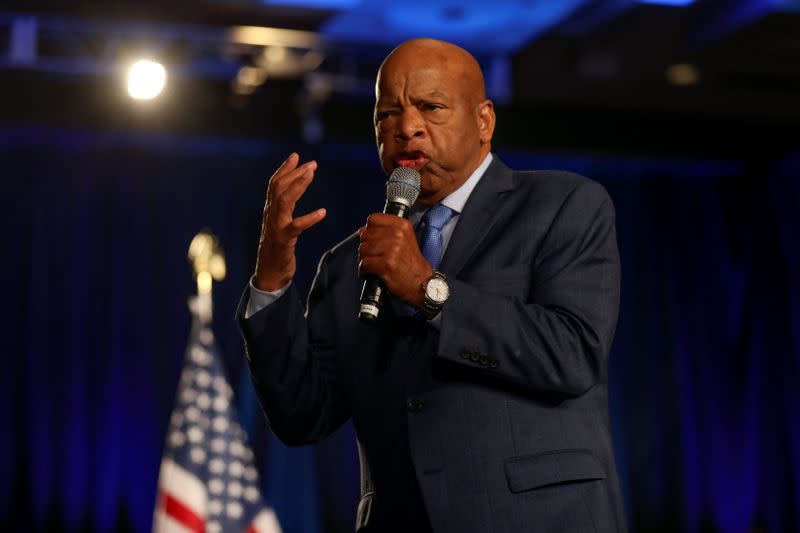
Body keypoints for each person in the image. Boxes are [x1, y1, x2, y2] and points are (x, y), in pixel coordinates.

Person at [236, 38, 627, 532]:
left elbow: (572, 355)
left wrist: (427, 288)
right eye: (387, 115)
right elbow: (300, 415)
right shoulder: (347, 264)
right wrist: (272, 274)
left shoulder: (564, 205)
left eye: (431, 107)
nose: (406, 128)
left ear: (484, 120)